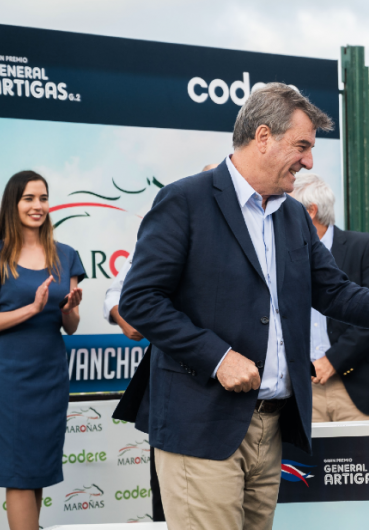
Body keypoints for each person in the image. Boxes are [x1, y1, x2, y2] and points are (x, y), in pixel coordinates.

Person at [114, 83, 369, 530]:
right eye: (302, 146)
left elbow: (337, 293)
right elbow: (139, 300)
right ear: (262, 137)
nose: (309, 161)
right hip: (202, 428)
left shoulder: (293, 216)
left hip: (270, 432)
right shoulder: (186, 200)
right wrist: (217, 357)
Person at [105, 163, 219, 522]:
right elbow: (121, 293)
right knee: (168, 505)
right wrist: (129, 320)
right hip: (174, 390)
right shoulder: (178, 224)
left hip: (235, 401)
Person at [0, 170, 85, 530]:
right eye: (28, 199)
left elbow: (71, 326)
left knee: (36, 472)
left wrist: (68, 308)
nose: (38, 206)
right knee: (18, 475)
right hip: (8, 380)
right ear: (13, 204)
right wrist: (32, 309)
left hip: (50, 376)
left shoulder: (67, 255)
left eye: (43, 198)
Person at [291, 172, 369, 421]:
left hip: (361, 385)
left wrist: (331, 360)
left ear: (310, 211)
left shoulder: (364, 247)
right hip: (301, 390)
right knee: (305, 462)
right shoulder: (282, 254)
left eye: (286, 207)